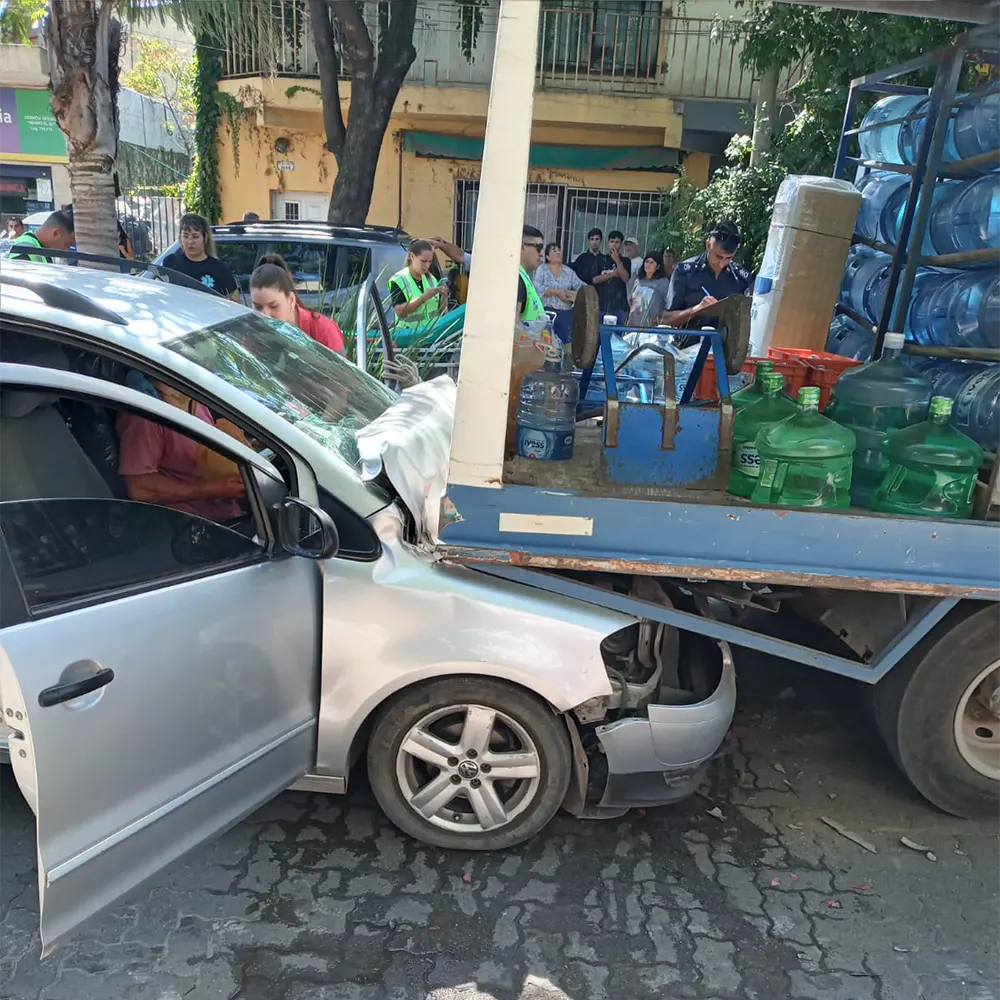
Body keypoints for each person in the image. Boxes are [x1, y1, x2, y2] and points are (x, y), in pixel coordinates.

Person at [117, 378, 245, 521]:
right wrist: (210, 489)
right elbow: (139, 487)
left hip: (229, 515)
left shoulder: (193, 399)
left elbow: (200, 451)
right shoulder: (147, 414)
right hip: (191, 527)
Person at [663, 220, 751, 332]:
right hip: (686, 346)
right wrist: (696, 310)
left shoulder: (740, 279)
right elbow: (665, 319)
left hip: (723, 347)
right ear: (708, 245)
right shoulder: (685, 272)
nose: (722, 263)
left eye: (728, 258)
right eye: (718, 257)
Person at [250, 253, 345, 354]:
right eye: (258, 307)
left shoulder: (324, 330)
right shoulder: (250, 333)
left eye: (273, 306)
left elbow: (342, 369)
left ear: (291, 300)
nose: (265, 315)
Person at [162, 213, 240, 300]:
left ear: (205, 237)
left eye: (195, 236)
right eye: (185, 236)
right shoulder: (170, 262)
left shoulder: (220, 270)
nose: (190, 241)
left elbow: (234, 302)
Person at [388, 238, 448, 337]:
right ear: (412, 256)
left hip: (430, 336)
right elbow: (400, 311)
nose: (427, 265)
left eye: (430, 261)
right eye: (423, 261)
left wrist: (444, 297)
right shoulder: (399, 279)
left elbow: (441, 312)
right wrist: (423, 298)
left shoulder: (431, 279)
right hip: (407, 337)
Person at [571, 227, 629, 322]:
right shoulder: (600, 259)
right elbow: (594, 279)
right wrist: (613, 274)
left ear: (621, 244)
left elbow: (625, 277)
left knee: (617, 335)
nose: (614, 244)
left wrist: (617, 261)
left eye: (617, 242)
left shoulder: (626, 261)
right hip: (601, 305)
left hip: (619, 306)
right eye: (612, 241)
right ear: (607, 243)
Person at [532, 242, 584, 343]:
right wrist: (557, 292)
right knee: (545, 341)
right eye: (554, 250)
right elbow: (537, 288)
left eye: (559, 250)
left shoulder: (568, 272)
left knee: (567, 342)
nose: (558, 252)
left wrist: (581, 294)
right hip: (546, 312)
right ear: (547, 256)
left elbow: (581, 286)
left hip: (565, 314)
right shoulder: (542, 269)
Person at [8, 210, 75, 262]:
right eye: (67, 244)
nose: (67, 249)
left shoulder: (40, 247)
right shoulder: (25, 247)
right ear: (56, 233)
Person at [627, 250, 672, 328]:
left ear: (657, 266)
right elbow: (631, 300)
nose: (648, 265)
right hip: (633, 324)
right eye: (647, 261)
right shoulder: (638, 280)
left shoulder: (663, 282)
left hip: (652, 326)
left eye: (652, 263)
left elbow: (668, 303)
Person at [516, 224, 549, 324]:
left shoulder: (523, 277)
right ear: (522, 247)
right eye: (539, 247)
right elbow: (513, 322)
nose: (541, 254)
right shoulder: (516, 279)